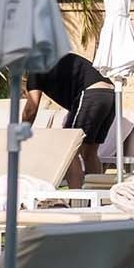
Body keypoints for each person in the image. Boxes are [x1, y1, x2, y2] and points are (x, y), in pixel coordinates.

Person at [22, 51, 117, 183]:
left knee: (68, 148)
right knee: (89, 152)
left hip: (91, 93)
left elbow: (31, 108)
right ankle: (97, 193)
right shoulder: (56, 58)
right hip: (111, 95)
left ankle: (76, 197)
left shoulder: (35, 68)